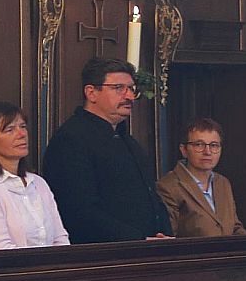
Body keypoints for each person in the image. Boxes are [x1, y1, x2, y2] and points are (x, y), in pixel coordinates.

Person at [42, 57, 171, 243]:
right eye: (119, 88)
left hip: (146, 250)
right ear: (91, 93)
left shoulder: (127, 140)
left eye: (131, 89)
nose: (129, 96)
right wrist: (138, 239)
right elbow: (78, 209)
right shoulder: (71, 140)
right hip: (105, 255)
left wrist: (163, 233)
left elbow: (151, 196)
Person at [0, 101, 68, 250]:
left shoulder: (38, 183)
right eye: (9, 130)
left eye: (23, 127)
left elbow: (60, 238)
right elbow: (0, 248)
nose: (21, 134)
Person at [156, 119, 246, 238]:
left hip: (228, 255)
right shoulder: (168, 186)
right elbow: (169, 237)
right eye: (199, 145)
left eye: (214, 145)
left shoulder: (223, 182)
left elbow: (235, 227)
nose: (208, 152)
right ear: (184, 150)